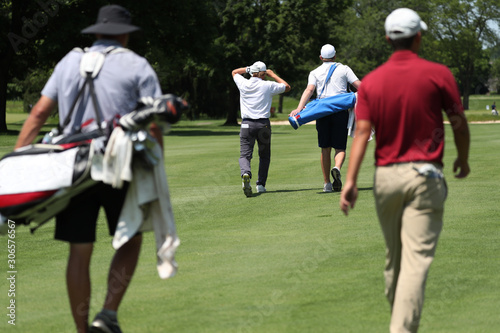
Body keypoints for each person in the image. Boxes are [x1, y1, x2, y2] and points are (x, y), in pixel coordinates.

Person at [14, 5, 163, 333]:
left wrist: (16, 165)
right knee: (130, 239)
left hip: (71, 166)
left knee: (79, 250)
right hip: (118, 165)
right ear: (124, 34)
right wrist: (157, 164)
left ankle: (83, 330)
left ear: (95, 32)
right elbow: (153, 122)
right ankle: (107, 314)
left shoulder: (68, 61)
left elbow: (39, 113)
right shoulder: (136, 64)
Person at [340, 8, 470, 333]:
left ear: (387, 39)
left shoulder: (371, 82)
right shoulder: (438, 73)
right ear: (419, 37)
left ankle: (400, 320)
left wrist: (351, 180)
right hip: (426, 178)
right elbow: (457, 122)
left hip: (385, 178)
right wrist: (463, 159)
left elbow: (361, 133)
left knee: (395, 260)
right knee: (414, 263)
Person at [289, 44, 361, 193]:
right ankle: (337, 167)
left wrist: (299, 108)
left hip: (321, 112)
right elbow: (359, 86)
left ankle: (327, 183)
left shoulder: (314, 72)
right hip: (341, 110)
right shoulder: (344, 69)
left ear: (321, 57)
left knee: (325, 148)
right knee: (340, 146)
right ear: (335, 56)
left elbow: (309, 90)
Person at [232, 61, 291, 197]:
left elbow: (234, 72)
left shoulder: (243, 83)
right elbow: (287, 87)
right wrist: (273, 74)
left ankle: (246, 173)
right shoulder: (268, 85)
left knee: (245, 155)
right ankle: (260, 185)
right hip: (263, 125)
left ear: (252, 72)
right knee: (264, 156)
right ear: (264, 74)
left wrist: (247, 68)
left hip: (246, 124)